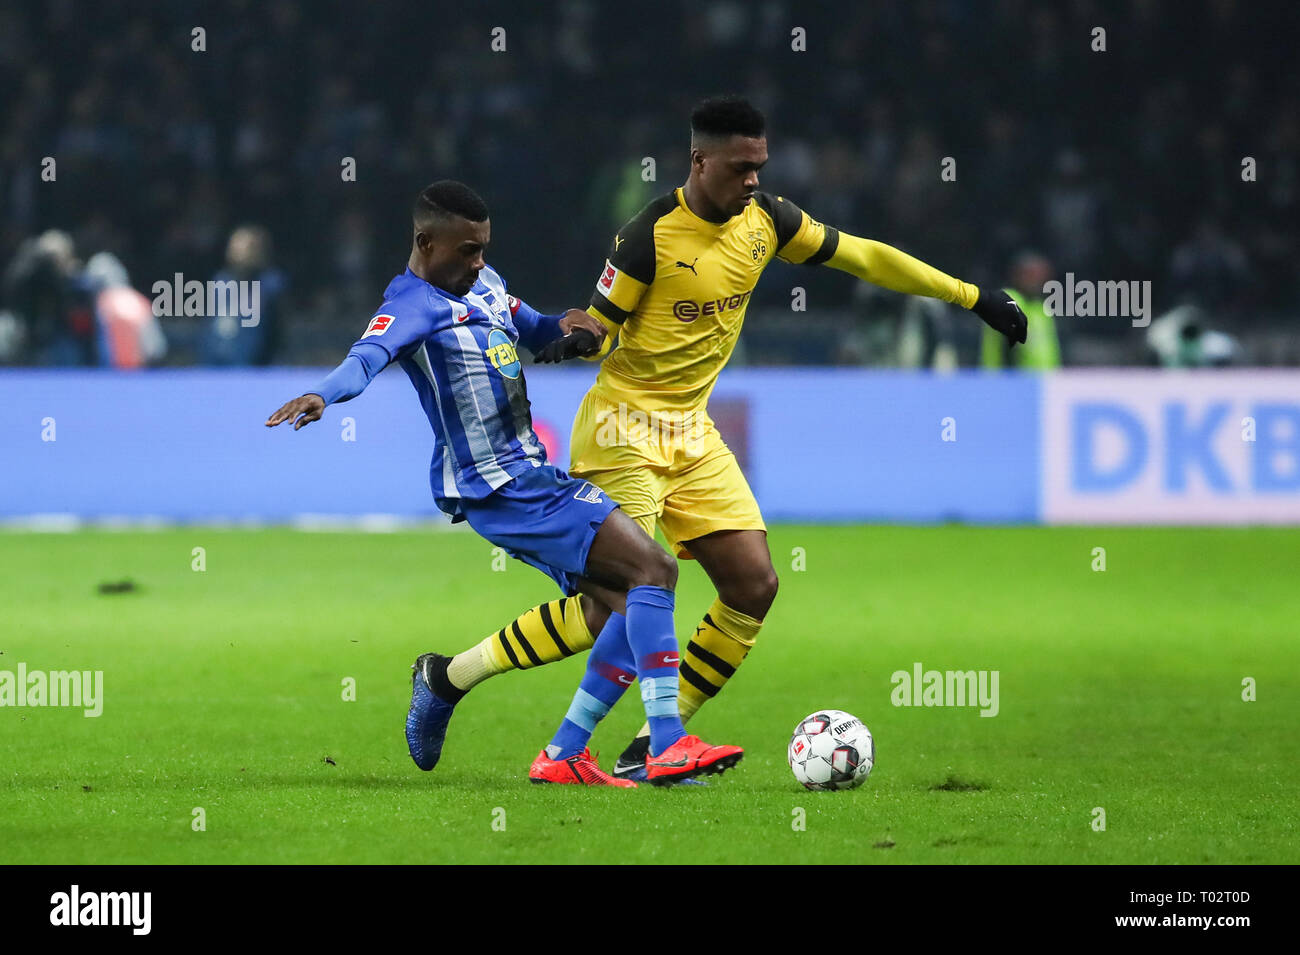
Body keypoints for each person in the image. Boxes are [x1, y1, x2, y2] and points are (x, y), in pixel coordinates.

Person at [423, 97, 1028, 782]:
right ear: (699, 161)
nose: (752, 180)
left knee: (753, 582)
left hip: (692, 431)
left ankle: (649, 738)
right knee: (619, 601)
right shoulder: (647, 237)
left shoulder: (767, 219)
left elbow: (862, 257)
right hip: (622, 430)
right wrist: (572, 337)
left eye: (759, 166)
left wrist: (970, 296)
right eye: (740, 167)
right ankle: (502, 706)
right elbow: (600, 327)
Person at [265, 181, 742, 786]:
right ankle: (667, 742)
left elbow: (536, 329)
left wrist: (576, 333)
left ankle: (555, 747)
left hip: (531, 474)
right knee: (656, 571)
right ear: (424, 243)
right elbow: (365, 358)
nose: (479, 261)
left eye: (483, 248)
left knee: (619, 605)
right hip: (500, 488)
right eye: (467, 251)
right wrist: (321, 395)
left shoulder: (484, 286)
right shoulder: (412, 305)